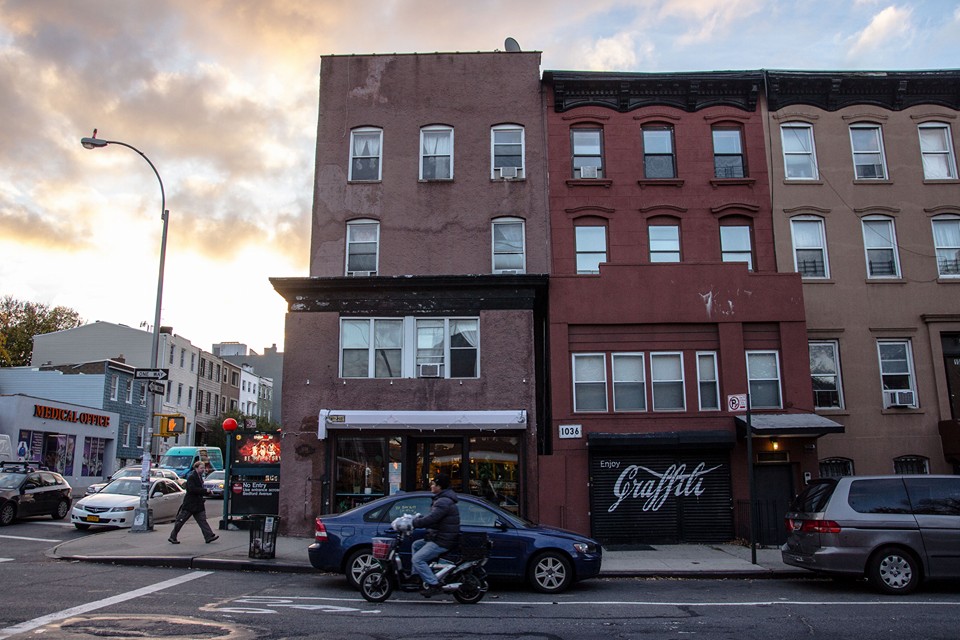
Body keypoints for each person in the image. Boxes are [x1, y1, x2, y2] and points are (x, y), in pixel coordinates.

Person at [410, 473, 460, 597]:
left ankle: (434, 584)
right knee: (416, 545)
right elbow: (435, 518)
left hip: (442, 540)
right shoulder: (443, 499)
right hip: (439, 536)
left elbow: (432, 518)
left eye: (433, 484)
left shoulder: (443, 501)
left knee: (417, 559)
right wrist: (420, 518)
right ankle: (417, 576)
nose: (431, 486)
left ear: (440, 486)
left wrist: (415, 523)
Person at [168, 460, 219, 544]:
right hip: (190, 504)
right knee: (181, 520)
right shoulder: (192, 477)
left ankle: (209, 536)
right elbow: (192, 489)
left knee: (202, 520)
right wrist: (205, 491)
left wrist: (207, 492)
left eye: (203, 468)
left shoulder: (199, 477)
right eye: (201, 468)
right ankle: (173, 536)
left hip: (198, 504)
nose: (203, 470)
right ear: (196, 468)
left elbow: (198, 489)